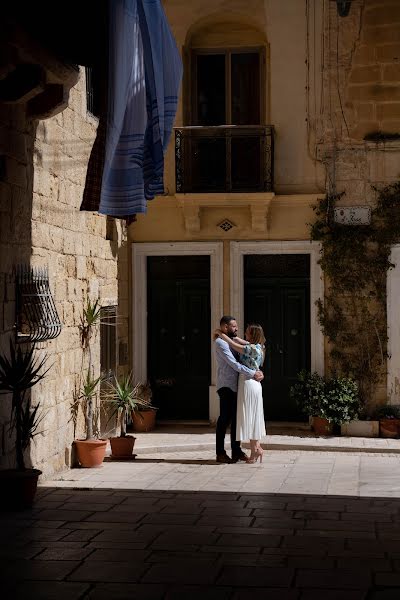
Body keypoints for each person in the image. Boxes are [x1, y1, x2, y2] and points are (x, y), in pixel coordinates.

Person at [214, 315, 264, 464]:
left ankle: (236, 451)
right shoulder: (220, 343)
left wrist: (257, 370)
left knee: (237, 420)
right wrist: (253, 373)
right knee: (224, 419)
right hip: (227, 385)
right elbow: (234, 364)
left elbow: (251, 353)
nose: (237, 329)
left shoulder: (235, 341)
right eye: (234, 326)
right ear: (225, 327)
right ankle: (220, 453)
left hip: (239, 385)